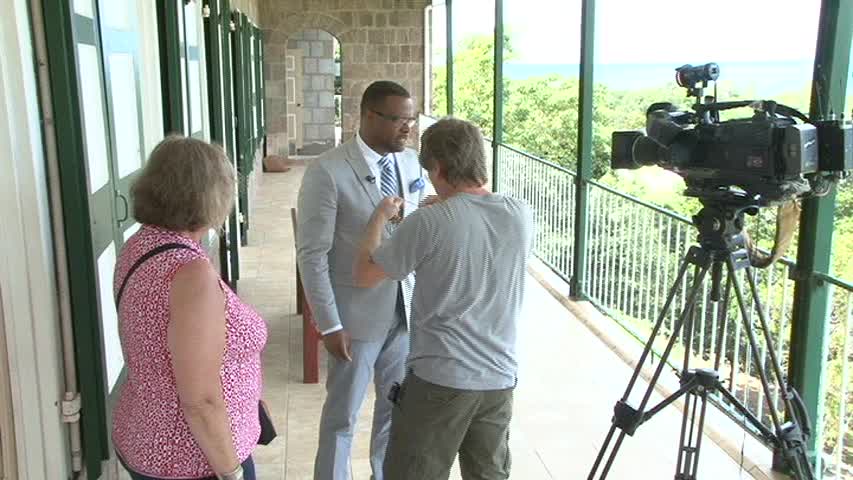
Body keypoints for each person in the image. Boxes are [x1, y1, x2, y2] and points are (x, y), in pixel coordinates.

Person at [353, 117, 535, 480]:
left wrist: (379, 218)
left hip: (440, 380)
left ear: (437, 167)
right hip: (499, 380)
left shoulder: (427, 223)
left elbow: (365, 274)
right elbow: (474, 220)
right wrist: (446, 205)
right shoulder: (520, 214)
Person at [112, 136, 266, 480]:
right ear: (212, 197)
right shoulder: (190, 273)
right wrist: (232, 473)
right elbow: (200, 401)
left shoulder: (141, 245)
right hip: (193, 461)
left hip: (145, 434)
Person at [297, 80, 428, 480]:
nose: (407, 128)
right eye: (398, 119)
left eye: (411, 119)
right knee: (342, 417)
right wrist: (329, 322)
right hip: (353, 319)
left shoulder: (412, 163)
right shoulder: (328, 170)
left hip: (405, 313)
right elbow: (312, 254)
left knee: (396, 413)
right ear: (369, 115)